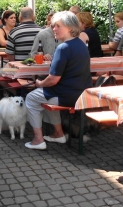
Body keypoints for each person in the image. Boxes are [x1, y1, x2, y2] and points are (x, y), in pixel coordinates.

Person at [25, 11, 92, 150]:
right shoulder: (81, 44)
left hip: (66, 96)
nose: (53, 29)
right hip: (81, 94)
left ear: (70, 28)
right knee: (44, 96)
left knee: (31, 98)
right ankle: (58, 134)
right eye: (53, 26)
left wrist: (39, 84)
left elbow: (53, 80)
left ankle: (38, 140)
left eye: (57, 26)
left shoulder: (63, 47)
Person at [0, 7, 42, 94]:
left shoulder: (14, 32)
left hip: (19, 70)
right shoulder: (42, 31)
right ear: (33, 17)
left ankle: (16, 92)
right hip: (39, 70)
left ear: (20, 18)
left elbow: (10, 57)